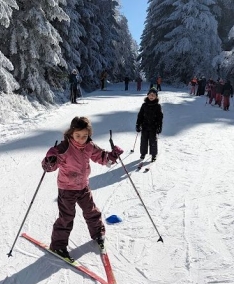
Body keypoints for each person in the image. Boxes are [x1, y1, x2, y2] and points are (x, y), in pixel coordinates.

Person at [42, 116, 124, 262]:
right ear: (71, 133)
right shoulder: (63, 148)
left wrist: (112, 156)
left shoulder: (89, 146)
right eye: (77, 135)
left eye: (84, 136)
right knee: (66, 217)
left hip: (83, 186)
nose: (81, 139)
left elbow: (102, 157)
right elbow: (50, 167)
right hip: (67, 188)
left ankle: (98, 233)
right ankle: (58, 245)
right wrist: (50, 160)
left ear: (89, 135)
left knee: (91, 211)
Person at [136, 88, 163, 162]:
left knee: (153, 141)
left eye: (153, 95)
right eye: (150, 95)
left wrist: (159, 127)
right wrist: (138, 124)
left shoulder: (158, 106)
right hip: (144, 126)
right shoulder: (144, 105)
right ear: (147, 95)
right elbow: (140, 115)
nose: (151, 96)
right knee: (144, 141)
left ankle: (153, 155)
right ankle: (143, 153)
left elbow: (160, 118)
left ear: (156, 97)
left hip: (153, 127)